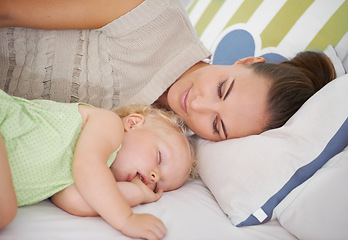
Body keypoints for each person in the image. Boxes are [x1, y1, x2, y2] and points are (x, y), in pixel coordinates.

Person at [0, 0, 337, 142]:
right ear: (246, 62)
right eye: (223, 89)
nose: (199, 106)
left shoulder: (161, 141)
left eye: (217, 126)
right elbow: (9, 11)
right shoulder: (152, 13)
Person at [0, 91, 195, 240]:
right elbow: (88, 166)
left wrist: (138, 192)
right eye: (159, 158)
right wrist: (126, 219)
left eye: (159, 185)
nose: (155, 177)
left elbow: (77, 201)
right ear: (133, 123)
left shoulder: (88, 182)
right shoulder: (107, 124)